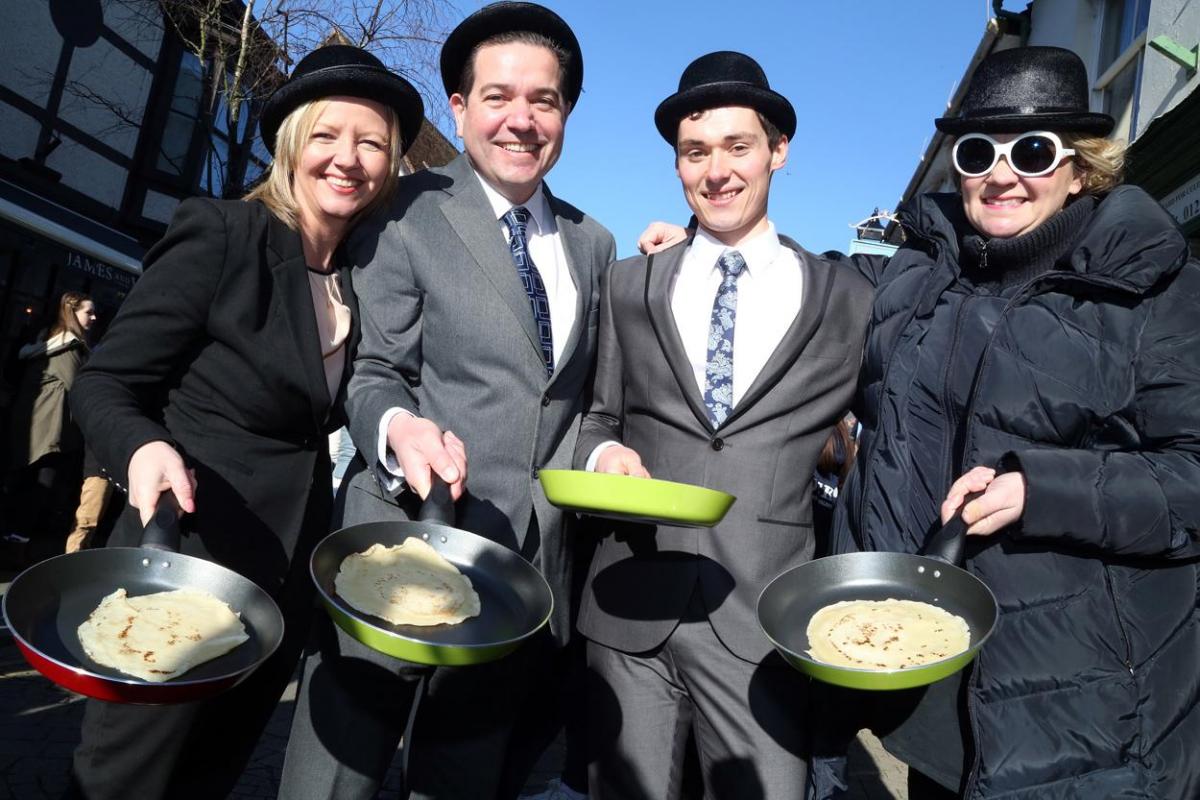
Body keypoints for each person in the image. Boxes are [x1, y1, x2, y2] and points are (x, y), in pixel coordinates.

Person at [813, 46, 1200, 799]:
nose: (1000, 173)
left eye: (1031, 151)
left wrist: (1043, 488)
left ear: (1080, 168)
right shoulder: (917, 280)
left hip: (1080, 709)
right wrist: (707, 250)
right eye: (976, 150)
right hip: (932, 696)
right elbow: (804, 289)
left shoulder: (1163, 293)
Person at [64, 43, 424, 800]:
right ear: (292, 145)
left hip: (281, 593)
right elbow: (106, 383)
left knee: (208, 780)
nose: (347, 158)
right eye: (327, 135)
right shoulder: (224, 234)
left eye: (370, 143)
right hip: (184, 563)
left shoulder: (367, 272)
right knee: (123, 780)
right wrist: (144, 444)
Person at [279, 4, 616, 799]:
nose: (522, 120)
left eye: (545, 100)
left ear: (565, 113)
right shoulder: (403, 208)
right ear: (460, 108)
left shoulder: (597, 244)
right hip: (398, 542)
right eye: (498, 97)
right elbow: (374, 370)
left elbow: (586, 401)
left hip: (517, 571)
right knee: (336, 775)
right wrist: (400, 428)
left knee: (461, 779)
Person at [575, 51, 872, 799]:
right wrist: (605, 450)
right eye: (695, 152)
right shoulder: (629, 283)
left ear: (778, 151)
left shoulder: (846, 298)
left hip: (762, 617)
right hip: (629, 609)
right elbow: (595, 417)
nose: (717, 171)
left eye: (738, 147)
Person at [3, 291, 95, 546]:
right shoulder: (70, 346)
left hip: (31, 424)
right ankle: (18, 541)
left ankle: (12, 536)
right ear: (71, 312)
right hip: (51, 429)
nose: (94, 317)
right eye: (88, 312)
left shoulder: (48, 341)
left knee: (24, 481)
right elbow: (79, 388)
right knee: (41, 485)